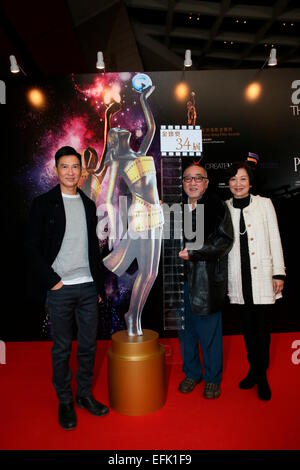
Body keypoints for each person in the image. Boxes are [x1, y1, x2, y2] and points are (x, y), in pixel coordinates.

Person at [27, 146, 109, 430]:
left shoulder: (88, 203)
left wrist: (97, 286)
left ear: (81, 170)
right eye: (65, 167)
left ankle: (84, 394)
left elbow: (93, 250)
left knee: (88, 346)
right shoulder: (43, 204)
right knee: (62, 348)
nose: (71, 172)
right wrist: (53, 282)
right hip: (60, 289)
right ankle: (65, 400)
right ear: (56, 169)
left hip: (87, 288)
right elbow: (32, 249)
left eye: (75, 166)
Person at [102, 85, 164, 336]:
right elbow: (108, 198)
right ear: (114, 139)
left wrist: (142, 100)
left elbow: (152, 128)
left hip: (157, 214)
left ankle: (133, 314)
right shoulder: (118, 161)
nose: (121, 129)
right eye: (115, 130)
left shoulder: (141, 152)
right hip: (141, 216)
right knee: (147, 271)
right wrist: (114, 229)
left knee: (152, 272)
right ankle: (132, 317)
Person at [226, 162, 285, 401]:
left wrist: (278, 273)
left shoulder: (264, 204)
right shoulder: (224, 208)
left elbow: (274, 237)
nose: (237, 184)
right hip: (238, 278)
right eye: (233, 179)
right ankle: (252, 370)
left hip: (262, 276)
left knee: (262, 330)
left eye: (242, 179)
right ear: (228, 183)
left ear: (250, 182)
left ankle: (262, 376)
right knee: (247, 331)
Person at [178, 163, 233, 399]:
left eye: (197, 178)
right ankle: (192, 373)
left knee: (209, 333)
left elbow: (224, 242)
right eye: (188, 179)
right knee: (185, 332)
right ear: (182, 183)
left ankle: (212, 378)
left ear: (206, 182)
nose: (192, 182)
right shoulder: (175, 209)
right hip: (179, 281)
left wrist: (195, 252)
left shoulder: (216, 206)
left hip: (206, 282)